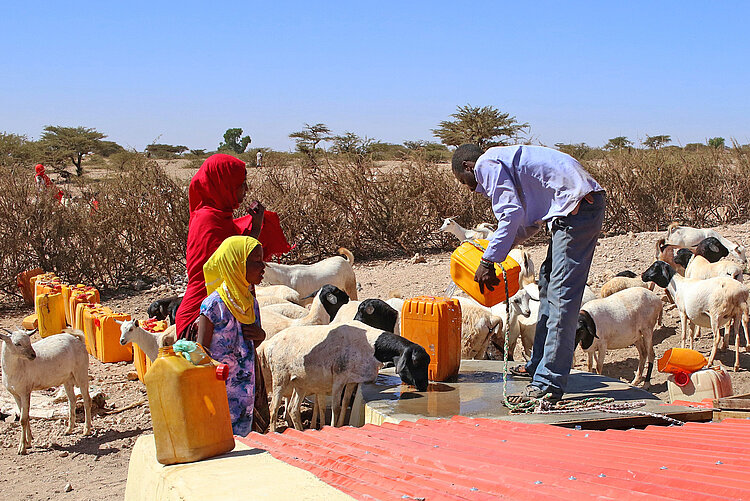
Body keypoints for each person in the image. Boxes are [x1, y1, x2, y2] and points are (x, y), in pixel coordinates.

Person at [451, 143, 605, 403]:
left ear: (468, 166)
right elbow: (526, 222)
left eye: (464, 181)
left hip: (577, 210)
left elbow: (510, 214)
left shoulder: (486, 164)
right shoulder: (504, 162)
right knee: (547, 284)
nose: (469, 188)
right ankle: (538, 366)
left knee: (560, 297)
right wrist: (494, 254)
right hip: (570, 211)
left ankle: (548, 383)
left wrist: (489, 261)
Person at [196, 235, 266, 436]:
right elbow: (200, 351)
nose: (263, 267)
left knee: (244, 442)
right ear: (236, 265)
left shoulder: (249, 302)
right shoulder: (213, 305)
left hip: (245, 390)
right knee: (221, 438)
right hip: (220, 390)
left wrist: (260, 334)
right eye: (256, 262)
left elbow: (254, 342)